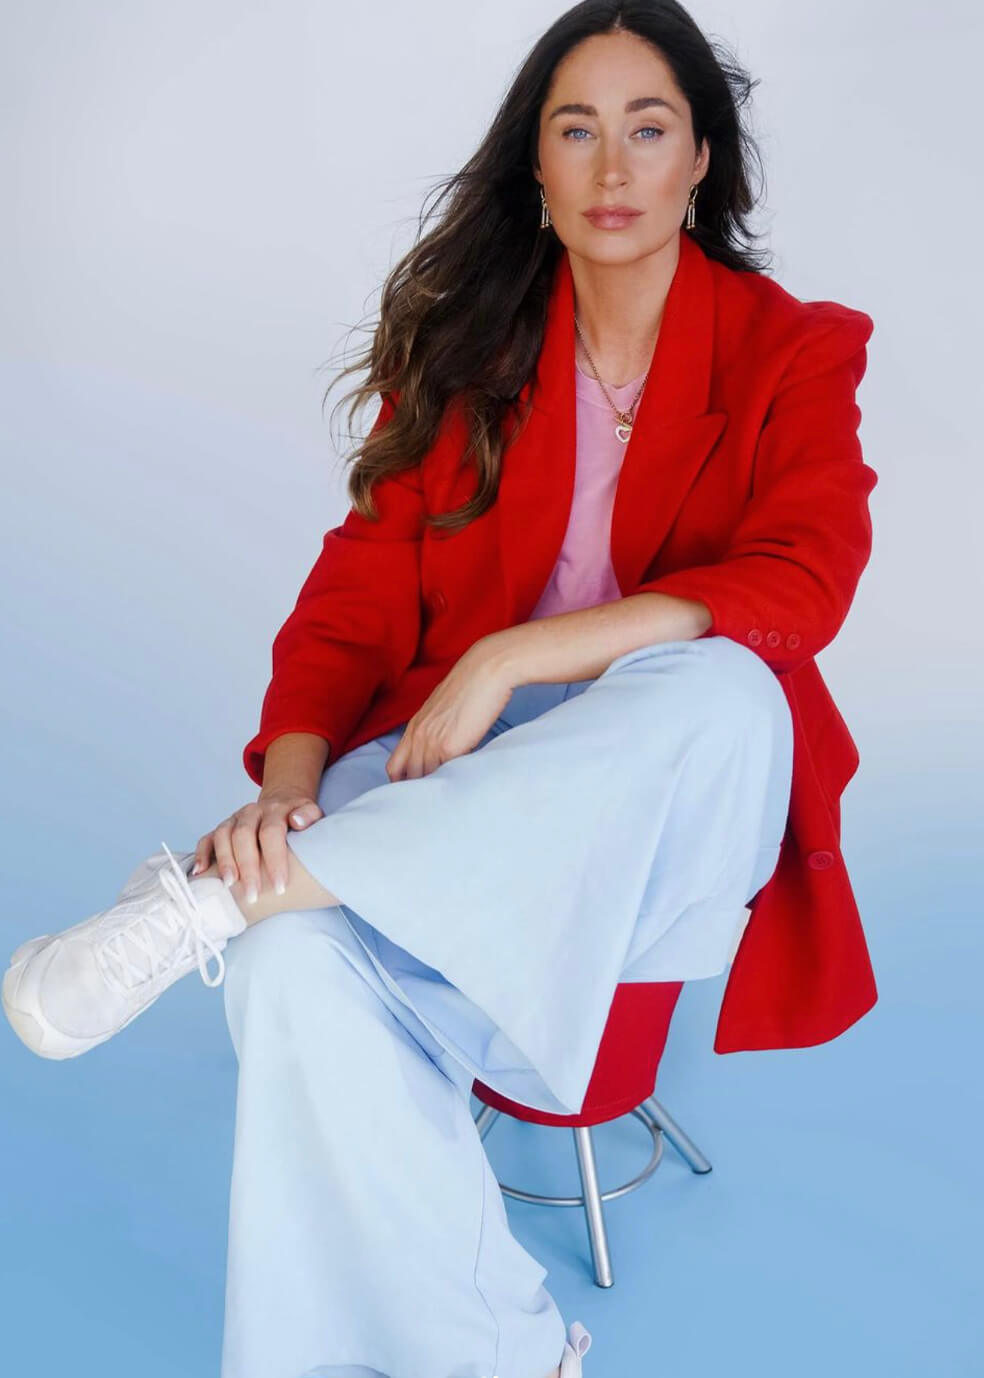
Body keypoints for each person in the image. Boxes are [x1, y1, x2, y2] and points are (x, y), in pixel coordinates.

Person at [1, 3, 879, 1377]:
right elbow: (351, 600)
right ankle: (500, 1354)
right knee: (288, 967)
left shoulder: (793, 348)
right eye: (575, 131)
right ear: (535, 164)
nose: (612, 168)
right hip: (449, 800)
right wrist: (288, 798)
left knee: (728, 689)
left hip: (660, 822)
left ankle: (213, 900)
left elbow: (806, 577)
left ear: (701, 157)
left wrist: (512, 653)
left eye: (648, 129)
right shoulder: (474, 354)